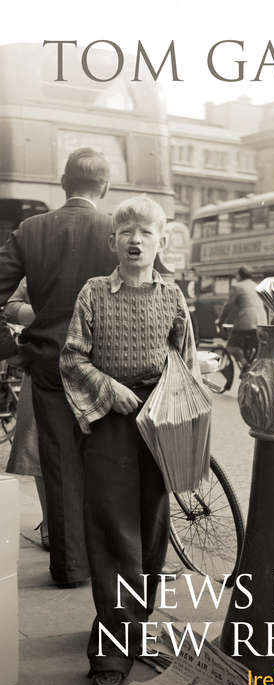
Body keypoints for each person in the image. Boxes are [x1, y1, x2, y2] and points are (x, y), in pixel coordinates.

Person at [60, 194, 198, 685]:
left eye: (145, 232)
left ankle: (135, 632)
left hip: (158, 420)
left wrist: (172, 406)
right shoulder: (94, 292)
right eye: (126, 232)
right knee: (114, 532)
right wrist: (109, 390)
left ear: (161, 240)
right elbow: (72, 358)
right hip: (111, 420)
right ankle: (111, 649)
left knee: (152, 532)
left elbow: (186, 362)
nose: (135, 239)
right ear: (112, 241)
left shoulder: (172, 296)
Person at [0, 147, 117, 588]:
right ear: (103, 186)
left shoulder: (31, 230)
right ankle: (114, 560)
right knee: (111, 459)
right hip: (109, 367)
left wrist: (7, 349)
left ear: (63, 183)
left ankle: (69, 567)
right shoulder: (117, 230)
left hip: (49, 363)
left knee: (61, 464)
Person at [4, 279, 48, 550]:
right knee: (37, 446)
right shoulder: (41, 263)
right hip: (44, 363)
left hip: (91, 363)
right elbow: (10, 307)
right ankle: (51, 522)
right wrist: (43, 313)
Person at [216, 265, 266, 373]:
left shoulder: (237, 287)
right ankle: (251, 367)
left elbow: (228, 306)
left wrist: (220, 322)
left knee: (232, 347)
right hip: (261, 322)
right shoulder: (257, 286)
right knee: (254, 349)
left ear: (239, 275)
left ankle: (246, 365)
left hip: (247, 322)